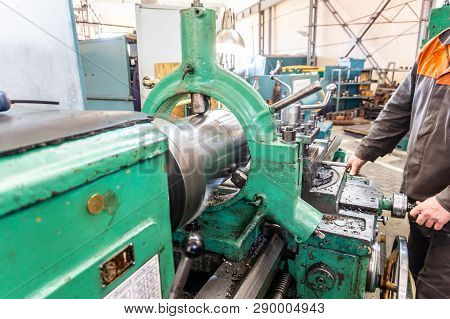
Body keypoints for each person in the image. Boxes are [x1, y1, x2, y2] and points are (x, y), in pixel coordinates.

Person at [346, 28, 450, 298]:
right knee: (416, 273)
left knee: (435, 296)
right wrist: (364, 151)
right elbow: (398, 109)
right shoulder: (435, 49)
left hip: (444, 209)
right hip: (422, 205)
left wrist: (448, 201)